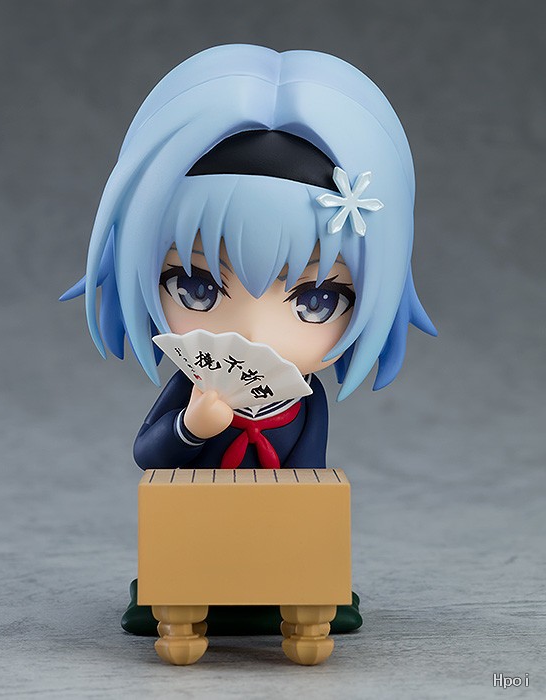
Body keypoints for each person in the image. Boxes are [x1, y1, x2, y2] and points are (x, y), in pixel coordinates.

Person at [62, 44, 436, 635]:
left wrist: (299, 528)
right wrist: (192, 427)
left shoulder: (303, 401)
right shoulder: (193, 388)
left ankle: (285, 590)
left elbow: (310, 469)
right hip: (195, 530)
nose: (254, 335)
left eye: (317, 299)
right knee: (187, 572)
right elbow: (149, 455)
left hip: (276, 532)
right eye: (195, 287)